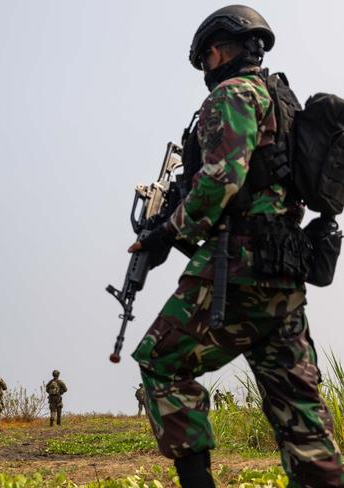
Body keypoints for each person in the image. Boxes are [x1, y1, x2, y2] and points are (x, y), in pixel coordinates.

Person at [129, 5, 344, 487]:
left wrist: (166, 235)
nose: (206, 68)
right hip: (284, 275)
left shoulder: (233, 94)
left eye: (206, 57)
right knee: (302, 415)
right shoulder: (281, 102)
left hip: (239, 269)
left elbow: (221, 180)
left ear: (222, 48)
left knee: (161, 363)